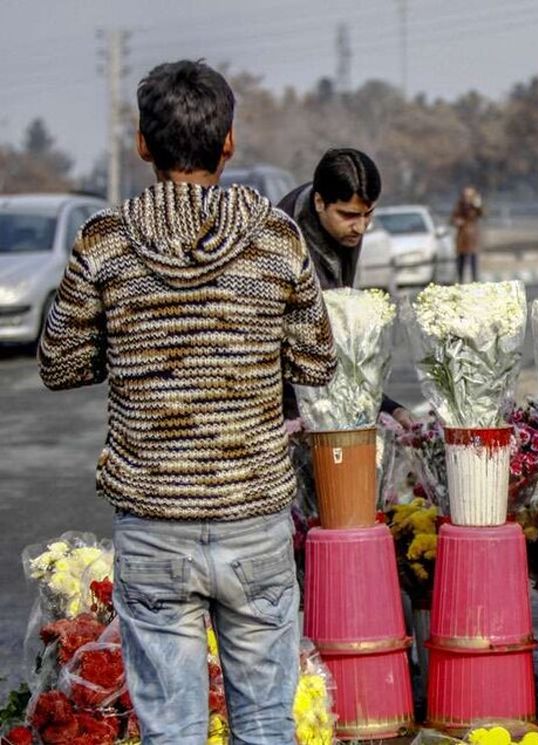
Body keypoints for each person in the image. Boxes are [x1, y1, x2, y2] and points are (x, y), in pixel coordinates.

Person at [37, 60, 336, 744]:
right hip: (253, 517)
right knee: (266, 722)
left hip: (153, 523)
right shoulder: (276, 238)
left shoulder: (104, 242)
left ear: (142, 144)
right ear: (228, 141)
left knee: (170, 729)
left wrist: (139, 346)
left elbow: (59, 362)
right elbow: (318, 358)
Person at [277, 149, 411, 425]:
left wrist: (386, 406)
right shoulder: (284, 241)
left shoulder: (339, 224)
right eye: (349, 215)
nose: (361, 228)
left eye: (368, 214)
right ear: (319, 202)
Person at [452, 185, 484, 284]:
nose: (467, 197)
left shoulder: (475, 206)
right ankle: (460, 280)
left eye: (470, 195)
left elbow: (482, 214)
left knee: (473, 259)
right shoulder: (460, 205)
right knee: (461, 259)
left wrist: (478, 205)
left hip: (472, 235)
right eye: (466, 195)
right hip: (462, 236)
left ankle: (475, 280)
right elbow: (453, 218)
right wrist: (457, 221)